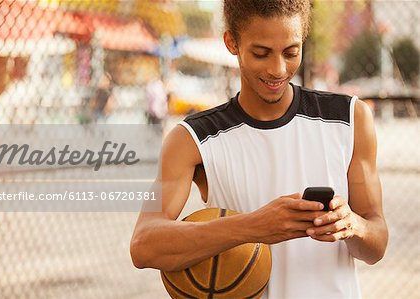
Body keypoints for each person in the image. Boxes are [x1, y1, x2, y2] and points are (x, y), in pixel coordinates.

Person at [130, 1, 388, 298]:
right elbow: (143, 245)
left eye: (291, 52)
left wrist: (351, 225)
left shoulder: (350, 119)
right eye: (261, 53)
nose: (278, 69)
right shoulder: (192, 139)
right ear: (232, 43)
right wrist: (253, 226)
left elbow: (376, 245)